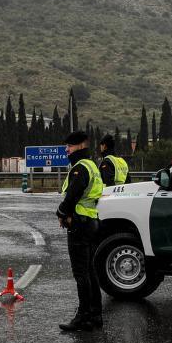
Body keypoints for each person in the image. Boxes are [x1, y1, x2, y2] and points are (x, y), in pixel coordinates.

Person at [57, 130, 104, 332]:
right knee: (90, 271)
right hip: (91, 221)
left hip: (79, 224)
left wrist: (61, 212)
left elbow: (73, 194)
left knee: (81, 273)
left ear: (81, 146)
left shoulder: (80, 168)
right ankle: (95, 315)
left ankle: (82, 316)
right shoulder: (92, 165)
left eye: (70, 146)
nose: (67, 149)